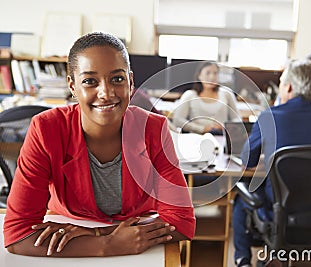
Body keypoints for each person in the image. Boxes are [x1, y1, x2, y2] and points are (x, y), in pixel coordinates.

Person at [3, 32, 195, 257]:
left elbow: (181, 222)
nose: (106, 93)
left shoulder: (153, 128)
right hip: (67, 228)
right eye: (89, 81)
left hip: (130, 247)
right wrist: (108, 245)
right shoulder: (46, 129)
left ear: (130, 82)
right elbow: (17, 235)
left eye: (117, 79)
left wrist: (98, 233)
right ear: (72, 87)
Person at [233, 59, 311, 267]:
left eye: (281, 82)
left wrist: (270, 155)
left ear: (288, 86)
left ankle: (243, 261)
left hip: (279, 206)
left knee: (241, 199)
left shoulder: (270, 116)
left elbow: (247, 160)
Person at [172, 61, 240, 135]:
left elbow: (237, 119)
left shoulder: (227, 93)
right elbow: (177, 120)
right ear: (199, 75)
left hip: (221, 136)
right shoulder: (189, 95)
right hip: (197, 137)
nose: (212, 77)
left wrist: (224, 126)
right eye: (208, 73)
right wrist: (201, 129)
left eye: (215, 73)